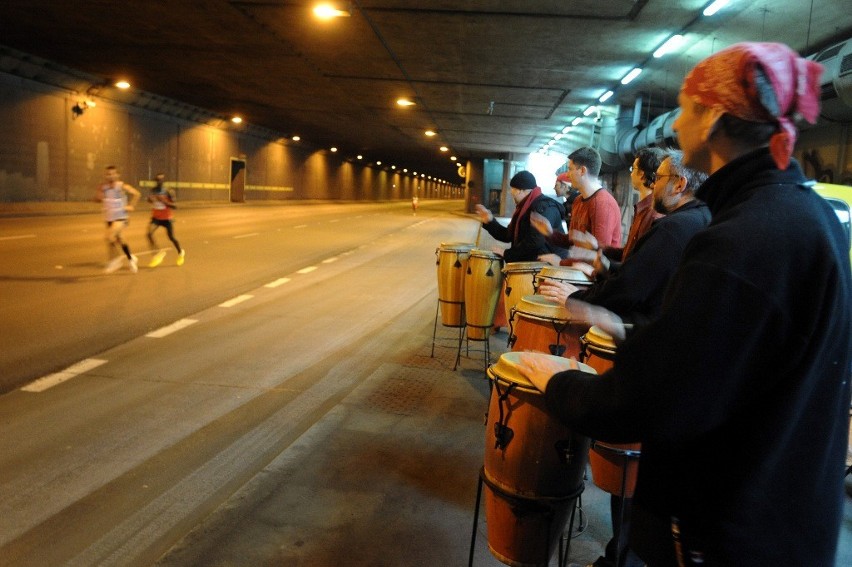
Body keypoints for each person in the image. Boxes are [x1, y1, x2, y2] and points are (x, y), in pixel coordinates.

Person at [517, 42, 851, 566]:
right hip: (788, 527)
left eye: (685, 109)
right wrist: (634, 333)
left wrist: (554, 379)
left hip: (722, 536)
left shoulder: (742, 239)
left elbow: (650, 404)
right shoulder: (809, 218)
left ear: (715, 116)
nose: (674, 127)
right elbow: (730, 361)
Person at [540, 151, 710, 567]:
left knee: (629, 466)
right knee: (635, 470)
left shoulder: (675, 228)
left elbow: (633, 288)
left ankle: (621, 554)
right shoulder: (700, 221)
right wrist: (599, 263)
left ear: (679, 185)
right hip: (659, 350)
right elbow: (633, 269)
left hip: (644, 347)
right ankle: (622, 551)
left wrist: (581, 300)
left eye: (660, 177)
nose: (652, 183)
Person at [534, 147, 622, 266]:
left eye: (570, 169)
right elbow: (574, 241)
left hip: (596, 279)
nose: (567, 175)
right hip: (578, 271)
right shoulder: (578, 201)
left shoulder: (602, 203)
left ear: (582, 171)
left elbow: (598, 256)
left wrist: (561, 262)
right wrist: (550, 233)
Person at [474, 170, 565, 262]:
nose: (511, 192)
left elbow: (535, 241)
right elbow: (508, 235)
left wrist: (507, 254)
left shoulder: (544, 207)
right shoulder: (524, 207)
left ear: (520, 190)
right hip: (534, 265)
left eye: (512, 189)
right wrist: (490, 222)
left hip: (548, 268)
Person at [95, 165, 140, 274]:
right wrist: (98, 197)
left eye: (112, 174)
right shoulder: (103, 187)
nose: (110, 176)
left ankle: (116, 260)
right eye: (108, 174)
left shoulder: (121, 186)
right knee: (120, 239)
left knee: (109, 237)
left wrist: (131, 206)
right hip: (109, 217)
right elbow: (98, 199)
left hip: (121, 217)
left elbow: (137, 194)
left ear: (117, 175)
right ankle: (131, 259)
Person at [146, 173, 185, 267]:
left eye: (161, 180)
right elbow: (150, 200)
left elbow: (175, 206)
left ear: (163, 181)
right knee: (149, 233)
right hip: (156, 217)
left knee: (171, 237)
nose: (159, 182)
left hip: (166, 218)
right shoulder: (153, 191)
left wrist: (164, 201)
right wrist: (150, 199)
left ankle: (180, 252)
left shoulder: (168, 191)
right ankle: (158, 254)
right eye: (157, 180)